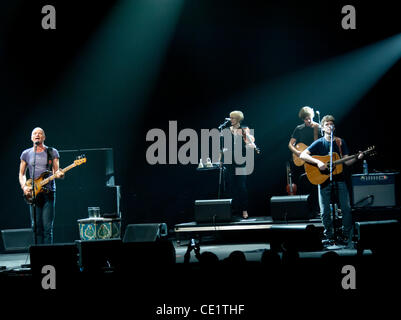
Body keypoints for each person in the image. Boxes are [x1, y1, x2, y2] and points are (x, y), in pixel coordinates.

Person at [300, 115, 363, 247]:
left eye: (332, 124)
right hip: (323, 181)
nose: (330, 126)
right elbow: (302, 154)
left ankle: (347, 235)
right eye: (327, 124)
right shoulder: (320, 142)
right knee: (324, 211)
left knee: (346, 208)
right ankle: (328, 235)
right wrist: (318, 162)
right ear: (323, 127)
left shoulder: (340, 142)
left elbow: (347, 161)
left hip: (340, 179)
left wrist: (358, 157)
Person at [19, 127, 64, 244]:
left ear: (44, 137)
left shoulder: (52, 151)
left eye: (40, 133)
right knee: (36, 227)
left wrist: (59, 174)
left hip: (48, 193)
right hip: (34, 193)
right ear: (31, 137)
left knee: (47, 228)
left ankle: (48, 257)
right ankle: (38, 256)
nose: (37, 135)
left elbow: (56, 171)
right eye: (34, 133)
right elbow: (21, 173)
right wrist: (24, 187)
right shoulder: (26, 153)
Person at [288, 106, 321, 216]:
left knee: (315, 185)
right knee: (304, 184)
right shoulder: (299, 128)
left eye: (310, 118)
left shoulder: (318, 127)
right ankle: (306, 210)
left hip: (314, 159)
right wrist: (298, 153)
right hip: (302, 160)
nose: (308, 120)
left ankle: (316, 210)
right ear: (303, 119)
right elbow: (290, 144)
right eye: (306, 119)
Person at [223, 110, 256, 219]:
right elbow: (223, 146)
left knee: (241, 186)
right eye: (230, 118)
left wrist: (246, 136)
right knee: (230, 187)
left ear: (237, 119)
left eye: (232, 118)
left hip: (240, 160)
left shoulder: (244, 128)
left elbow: (250, 142)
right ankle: (232, 211)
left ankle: (244, 210)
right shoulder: (226, 130)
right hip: (229, 161)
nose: (230, 119)